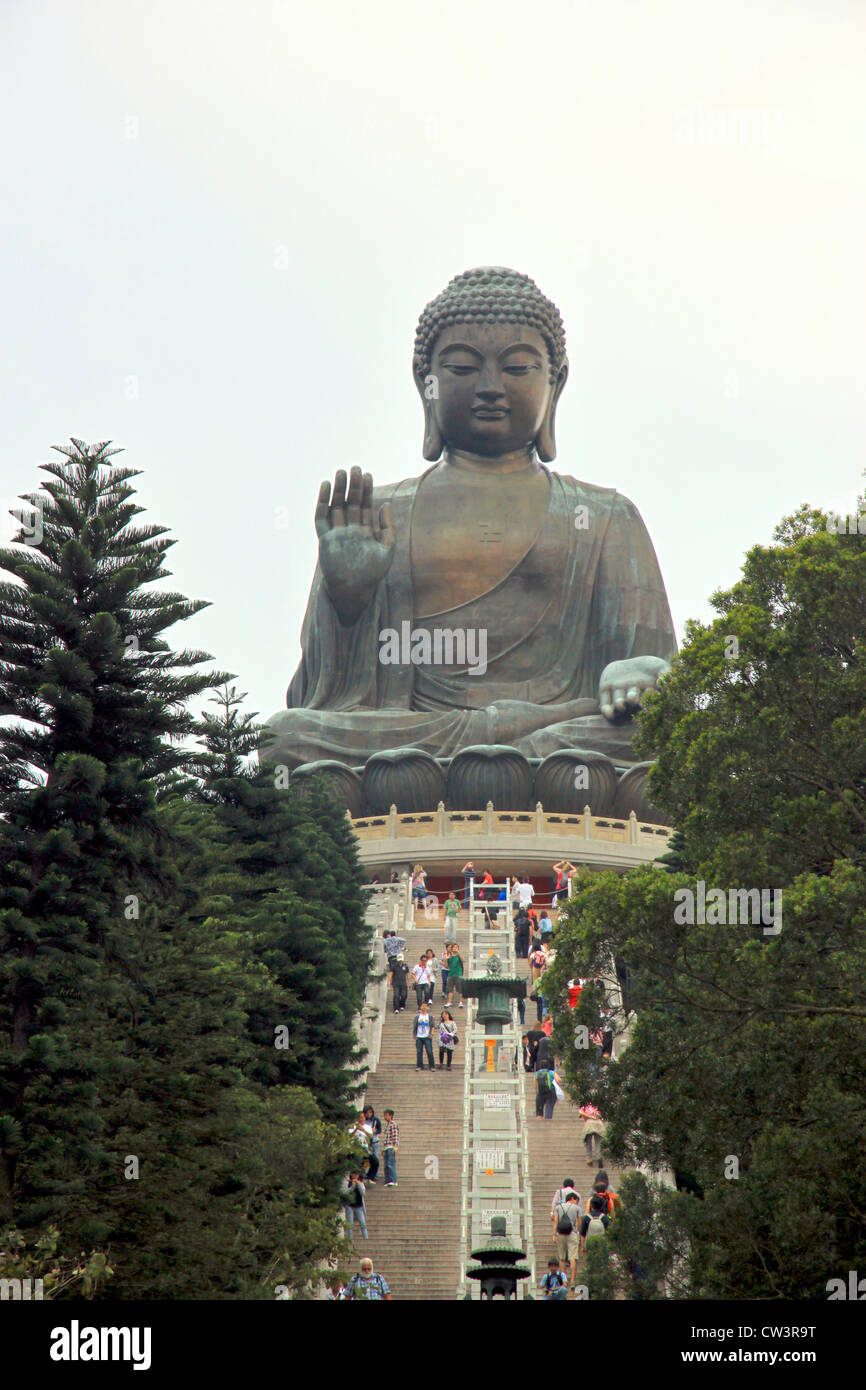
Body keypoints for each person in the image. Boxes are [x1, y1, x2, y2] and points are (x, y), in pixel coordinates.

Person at [551, 1191, 581, 1286]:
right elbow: (579, 1222)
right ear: (572, 1198)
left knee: (562, 1257)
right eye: (576, 1200)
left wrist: (554, 1234)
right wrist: (578, 1233)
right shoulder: (577, 1208)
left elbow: (556, 1222)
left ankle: (564, 1281)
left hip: (561, 1233)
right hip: (572, 1233)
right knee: (573, 1257)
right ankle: (572, 1280)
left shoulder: (558, 1207)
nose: (576, 1202)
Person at [341, 1171, 368, 1240]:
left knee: (363, 1223)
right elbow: (345, 1193)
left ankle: (366, 1237)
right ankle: (350, 1239)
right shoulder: (347, 1183)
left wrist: (358, 1185)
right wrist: (353, 1186)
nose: (355, 1176)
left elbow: (363, 1193)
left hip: (358, 1205)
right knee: (350, 1224)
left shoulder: (360, 1183)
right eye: (354, 1174)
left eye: (357, 1174)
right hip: (350, 1205)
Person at [361, 1105, 381, 1183]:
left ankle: (375, 1175)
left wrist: (374, 1130)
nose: (369, 1114)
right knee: (365, 1159)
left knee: (375, 1158)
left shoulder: (376, 1120)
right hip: (365, 1142)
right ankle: (363, 1174)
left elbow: (379, 1130)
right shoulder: (363, 1120)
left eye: (370, 1112)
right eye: (367, 1113)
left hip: (374, 1142)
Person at [413, 1000, 435, 1070]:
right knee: (419, 1052)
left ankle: (432, 1066)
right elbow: (415, 1026)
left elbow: (432, 1025)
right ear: (420, 1007)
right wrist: (414, 1035)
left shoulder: (430, 1016)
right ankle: (419, 1065)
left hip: (427, 1036)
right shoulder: (417, 1017)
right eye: (423, 1006)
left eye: (425, 1006)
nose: (424, 1007)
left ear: (427, 1007)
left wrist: (431, 1033)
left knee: (429, 1051)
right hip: (419, 1036)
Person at [382, 1109, 399, 1187]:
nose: (385, 1117)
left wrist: (395, 1147)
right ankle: (388, 1180)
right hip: (386, 1147)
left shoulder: (393, 1124)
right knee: (386, 1165)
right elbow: (385, 1137)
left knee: (390, 1164)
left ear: (391, 1115)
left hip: (391, 1147)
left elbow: (395, 1136)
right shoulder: (387, 1125)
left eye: (386, 1115)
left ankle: (393, 1180)